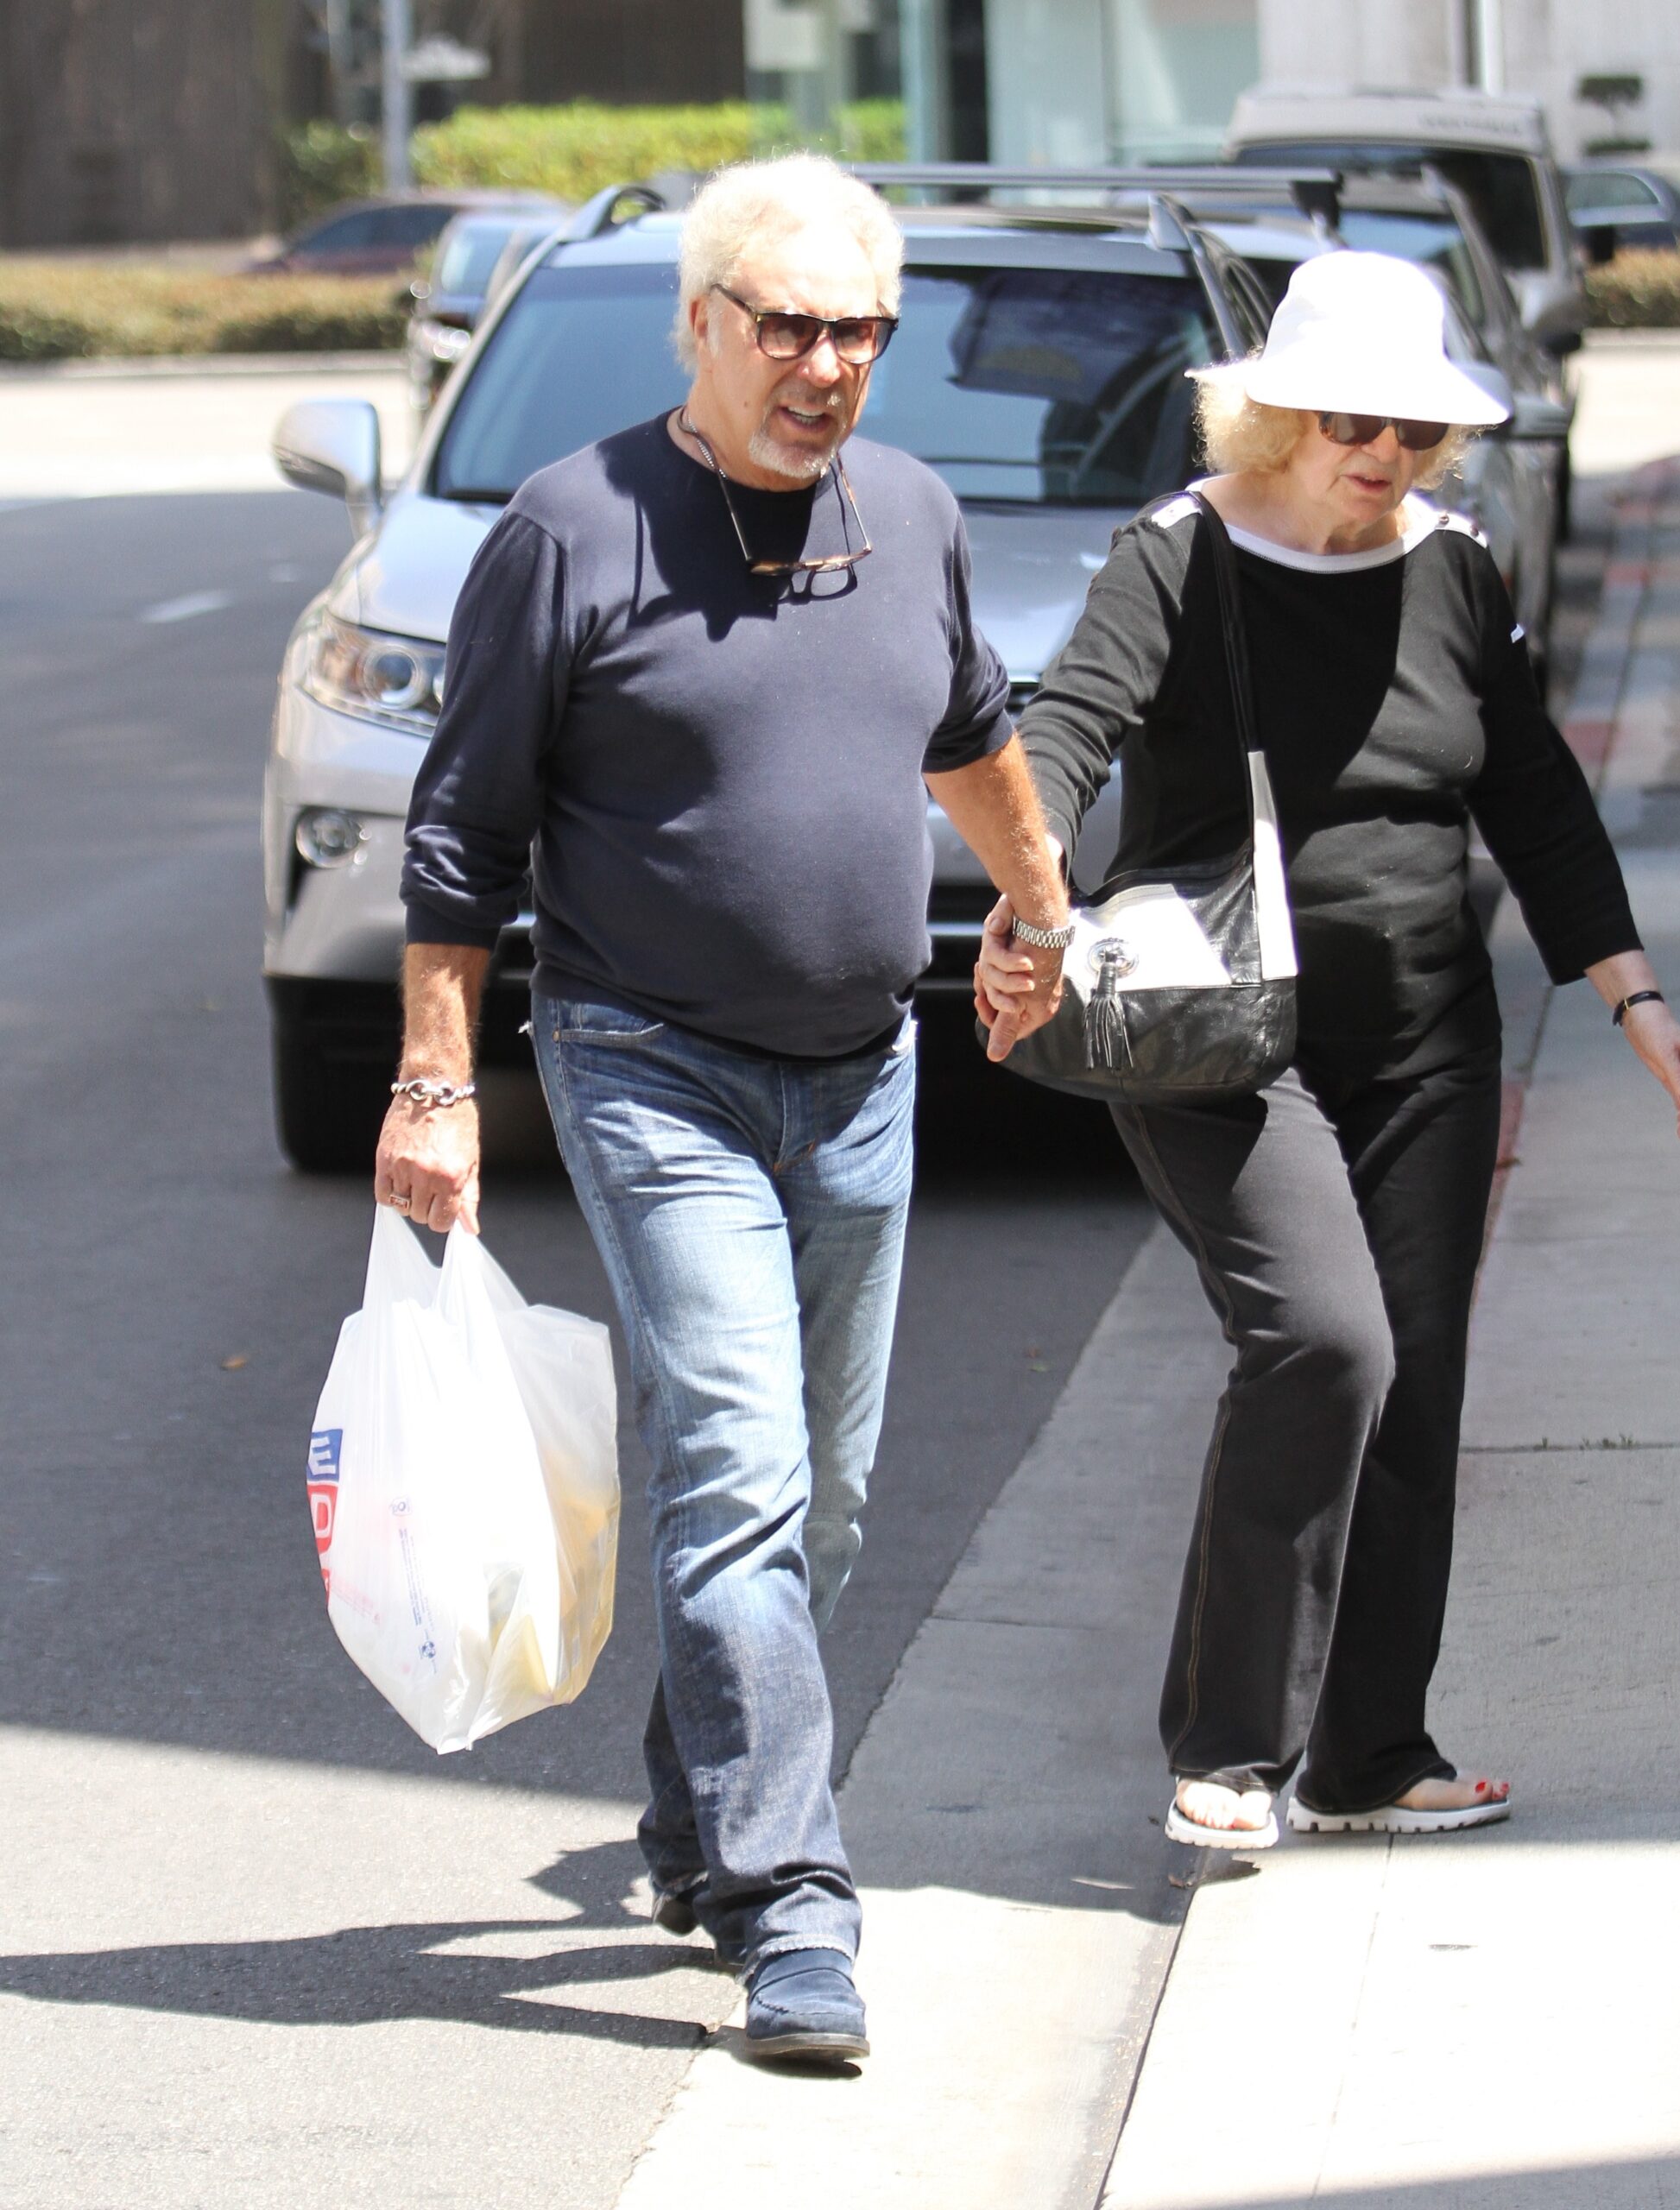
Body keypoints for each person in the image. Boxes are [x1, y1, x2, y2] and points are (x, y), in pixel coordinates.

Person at [376, 153, 1069, 2059]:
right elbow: (460, 832)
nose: (825, 365)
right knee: (743, 1471)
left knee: (816, 1501)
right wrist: (435, 1080)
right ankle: (792, 1903)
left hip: (865, 1071)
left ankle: (695, 1818)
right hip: (647, 1060)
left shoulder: (911, 511)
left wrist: (1037, 912)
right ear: (700, 323)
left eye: (860, 330)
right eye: (788, 326)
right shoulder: (569, 528)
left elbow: (972, 732)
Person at [978, 251, 1680, 1851]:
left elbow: (1532, 792)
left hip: (1428, 1042)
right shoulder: (1179, 556)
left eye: (1414, 428)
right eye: (1349, 422)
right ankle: (1229, 1752)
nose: (1384, 454)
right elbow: (1065, 731)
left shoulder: (1452, 570)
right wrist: (1030, 905)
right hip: (1221, 1040)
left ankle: (1370, 1755)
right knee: (1327, 1346)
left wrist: (1636, 998)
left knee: (1419, 1386)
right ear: (1275, 416)